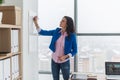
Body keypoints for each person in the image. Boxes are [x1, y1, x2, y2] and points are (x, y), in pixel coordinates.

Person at [33, 16, 77, 80]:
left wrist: (65, 56)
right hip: (54, 60)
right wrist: (35, 22)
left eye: (63, 21)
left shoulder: (72, 36)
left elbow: (75, 50)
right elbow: (42, 32)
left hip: (64, 61)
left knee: (66, 78)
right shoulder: (56, 31)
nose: (60, 22)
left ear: (67, 24)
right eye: (61, 20)